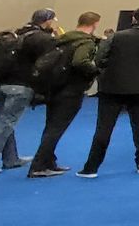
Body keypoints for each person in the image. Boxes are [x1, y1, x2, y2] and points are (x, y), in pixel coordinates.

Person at [78, 7, 139, 178]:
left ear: (134, 18)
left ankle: (91, 167)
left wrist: (108, 70)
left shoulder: (116, 36)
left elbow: (100, 57)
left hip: (112, 88)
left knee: (104, 128)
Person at [0, 9, 60, 176]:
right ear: (47, 21)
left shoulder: (16, 33)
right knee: (6, 124)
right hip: (19, 86)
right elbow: (48, 63)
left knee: (4, 123)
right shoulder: (42, 38)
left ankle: (10, 159)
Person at [28, 12, 104, 178]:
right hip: (71, 89)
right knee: (56, 129)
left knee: (51, 126)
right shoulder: (86, 42)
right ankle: (38, 165)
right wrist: (96, 70)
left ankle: (49, 161)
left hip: (54, 87)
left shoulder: (61, 38)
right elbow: (80, 61)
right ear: (95, 24)